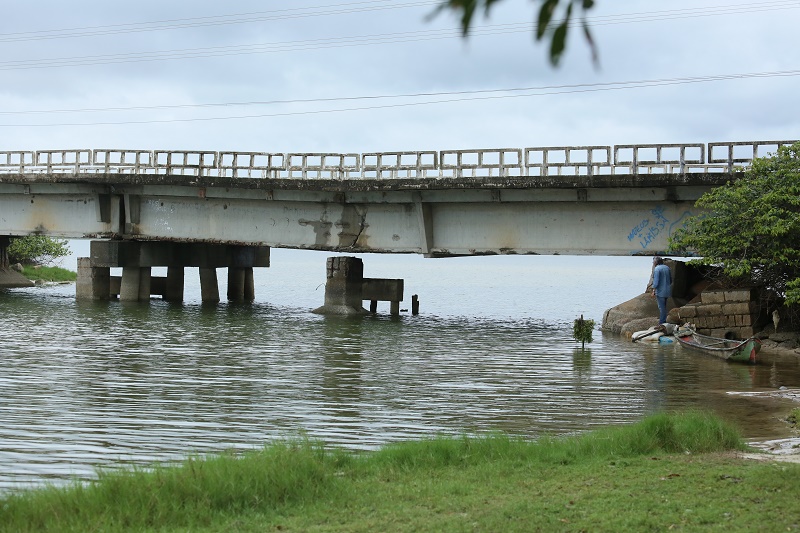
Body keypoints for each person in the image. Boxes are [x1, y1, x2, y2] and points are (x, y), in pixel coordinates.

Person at [651, 256, 672, 324]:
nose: (653, 263)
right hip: (667, 290)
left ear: (656, 262)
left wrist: (653, 290)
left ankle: (662, 322)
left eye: (653, 262)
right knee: (664, 306)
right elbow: (670, 280)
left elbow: (656, 282)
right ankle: (664, 320)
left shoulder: (657, 269)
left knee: (661, 307)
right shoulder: (667, 268)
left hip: (660, 292)